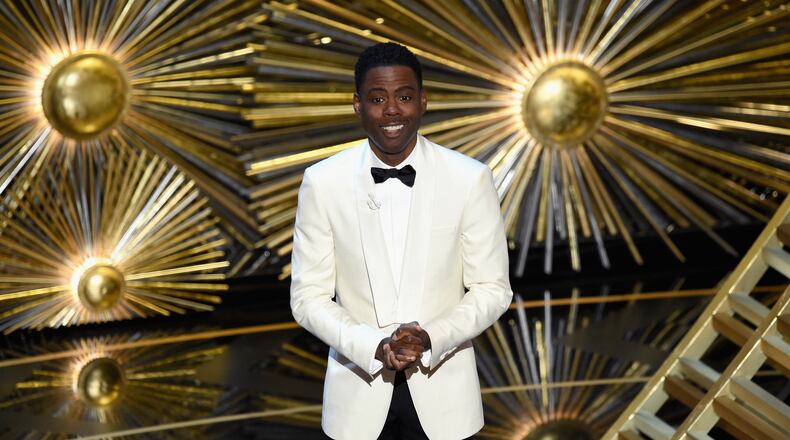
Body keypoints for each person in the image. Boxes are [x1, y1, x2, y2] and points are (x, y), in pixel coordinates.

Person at [290, 42, 512, 440]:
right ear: (357, 105)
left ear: (423, 101)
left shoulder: (469, 178)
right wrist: (373, 346)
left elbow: (492, 289)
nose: (392, 110)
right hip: (356, 400)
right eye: (377, 99)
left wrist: (430, 338)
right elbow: (307, 297)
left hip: (447, 401)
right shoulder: (323, 183)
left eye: (404, 97)